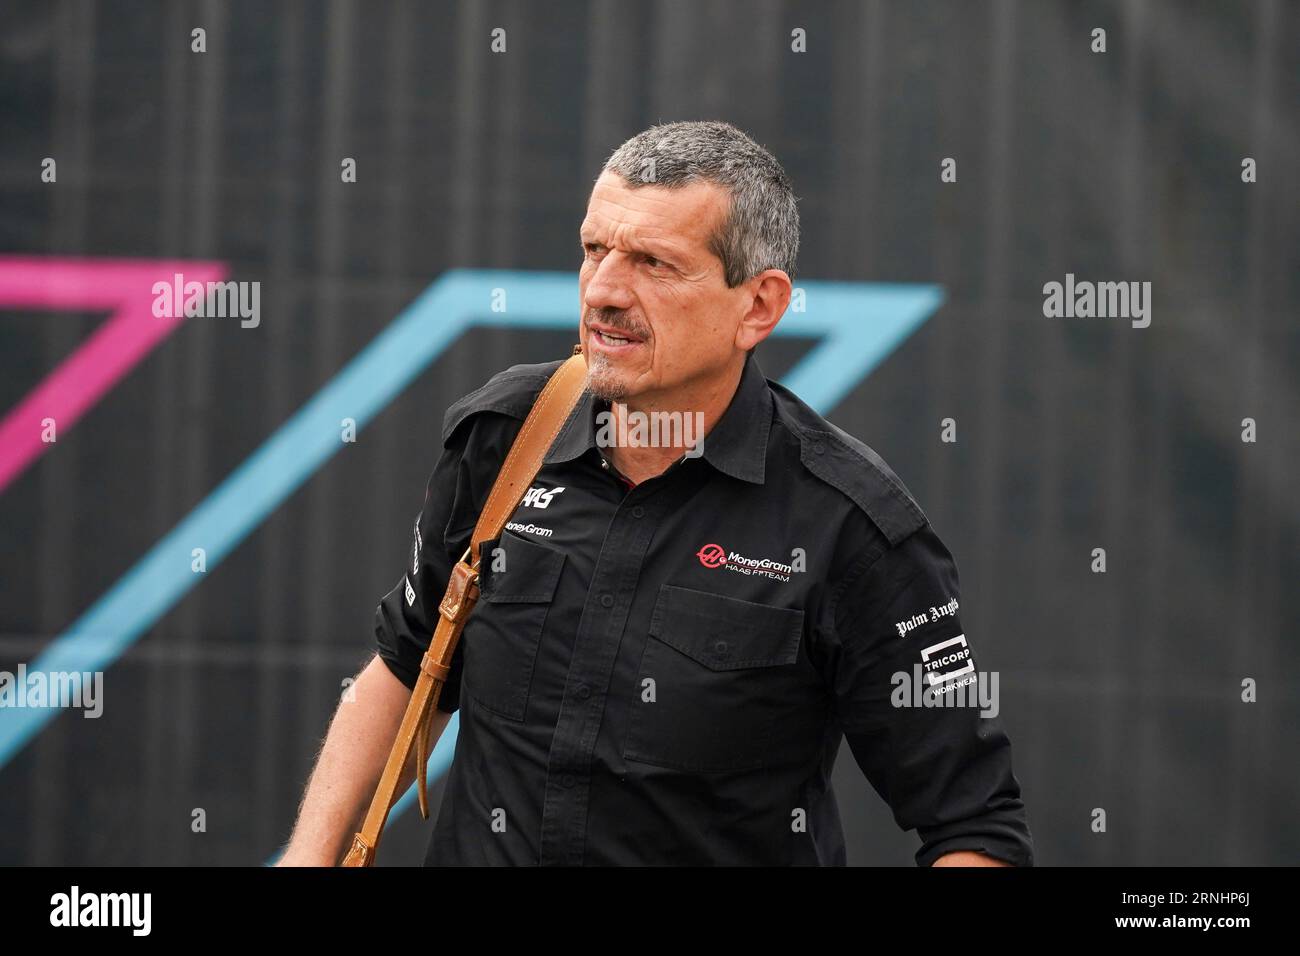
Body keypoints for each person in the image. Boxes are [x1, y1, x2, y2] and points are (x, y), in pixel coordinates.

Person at [278, 120, 1033, 867]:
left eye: (653, 264)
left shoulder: (854, 528)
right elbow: (407, 666)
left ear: (760, 307)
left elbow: (974, 828)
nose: (604, 291)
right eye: (594, 250)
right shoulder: (503, 436)